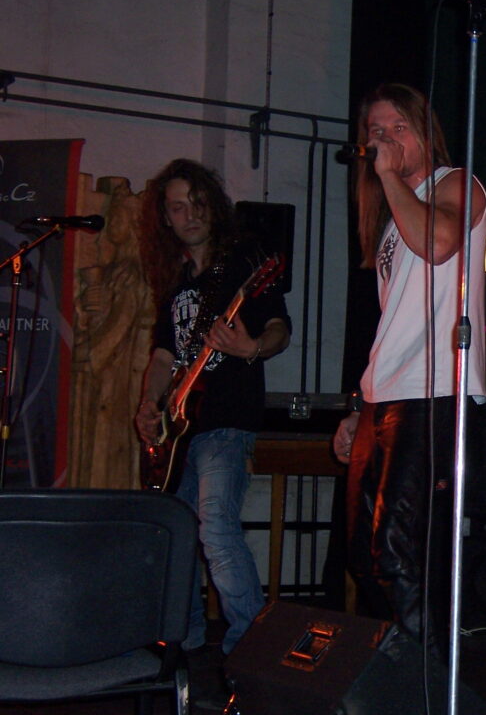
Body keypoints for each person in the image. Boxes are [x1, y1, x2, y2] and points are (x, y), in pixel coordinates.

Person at [332, 83, 486, 652]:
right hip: (386, 396)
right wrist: (360, 406)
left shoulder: (456, 183)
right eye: (376, 131)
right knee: (361, 551)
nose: (386, 140)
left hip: (431, 390)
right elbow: (393, 323)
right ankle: (399, 669)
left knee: (394, 550)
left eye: (399, 128)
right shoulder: (392, 217)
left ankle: (431, 681)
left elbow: (441, 242)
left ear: (425, 133)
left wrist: (388, 175)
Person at [134, 158, 291, 660]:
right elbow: (164, 356)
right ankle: (181, 640)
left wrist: (251, 348)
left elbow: (279, 328)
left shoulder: (242, 263)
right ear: (166, 218)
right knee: (176, 537)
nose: (190, 215)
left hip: (226, 420)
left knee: (216, 528)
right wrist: (149, 404)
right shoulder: (177, 281)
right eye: (178, 207)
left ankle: (252, 644)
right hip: (179, 430)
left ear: (213, 207)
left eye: (197, 203)